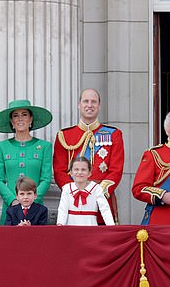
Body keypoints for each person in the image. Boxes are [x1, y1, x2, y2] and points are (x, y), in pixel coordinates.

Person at [53, 89, 124, 223]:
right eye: (86, 101)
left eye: (94, 102)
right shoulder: (64, 136)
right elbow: (59, 171)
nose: (89, 105)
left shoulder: (114, 134)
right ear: (79, 105)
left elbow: (116, 170)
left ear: (99, 106)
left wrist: (96, 193)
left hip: (101, 203)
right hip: (73, 203)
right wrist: (75, 192)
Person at [0, 99, 53, 224]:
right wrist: (13, 201)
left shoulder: (44, 146)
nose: (20, 119)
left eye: (24, 115)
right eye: (15, 115)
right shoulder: (1, 147)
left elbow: (46, 178)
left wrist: (32, 199)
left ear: (31, 119)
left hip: (36, 210)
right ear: (11, 121)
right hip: (11, 209)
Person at [56, 156, 115, 226]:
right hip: (70, 229)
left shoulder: (96, 188)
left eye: (83, 169)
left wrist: (111, 226)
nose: (80, 172)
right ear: (71, 173)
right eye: (76, 169)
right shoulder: (67, 188)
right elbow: (63, 210)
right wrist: (60, 225)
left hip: (91, 228)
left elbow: (105, 209)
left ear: (89, 173)